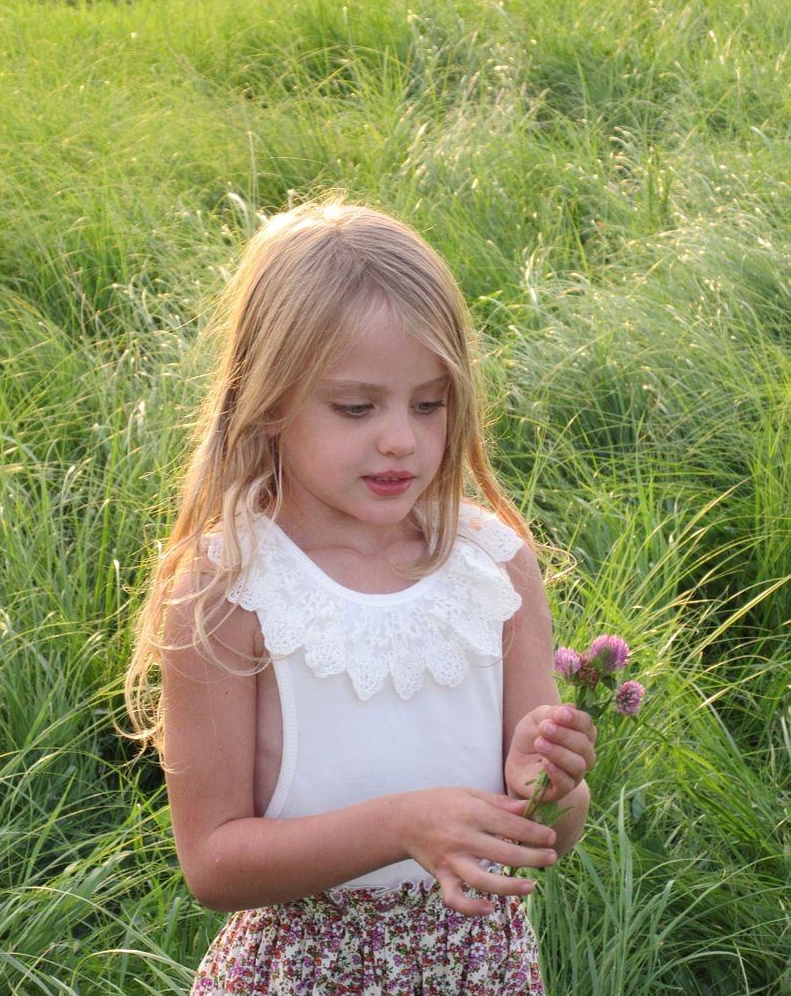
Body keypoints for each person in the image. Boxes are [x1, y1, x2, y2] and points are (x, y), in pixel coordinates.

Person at [126, 197, 597, 995]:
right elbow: (212, 863)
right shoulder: (229, 588)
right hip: (302, 972)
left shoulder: (495, 567)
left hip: (478, 970)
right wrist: (401, 826)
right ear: (269, 400)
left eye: (429, 403)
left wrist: (552, 786)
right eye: (356, 407)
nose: (400, 439)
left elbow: (548, 835)